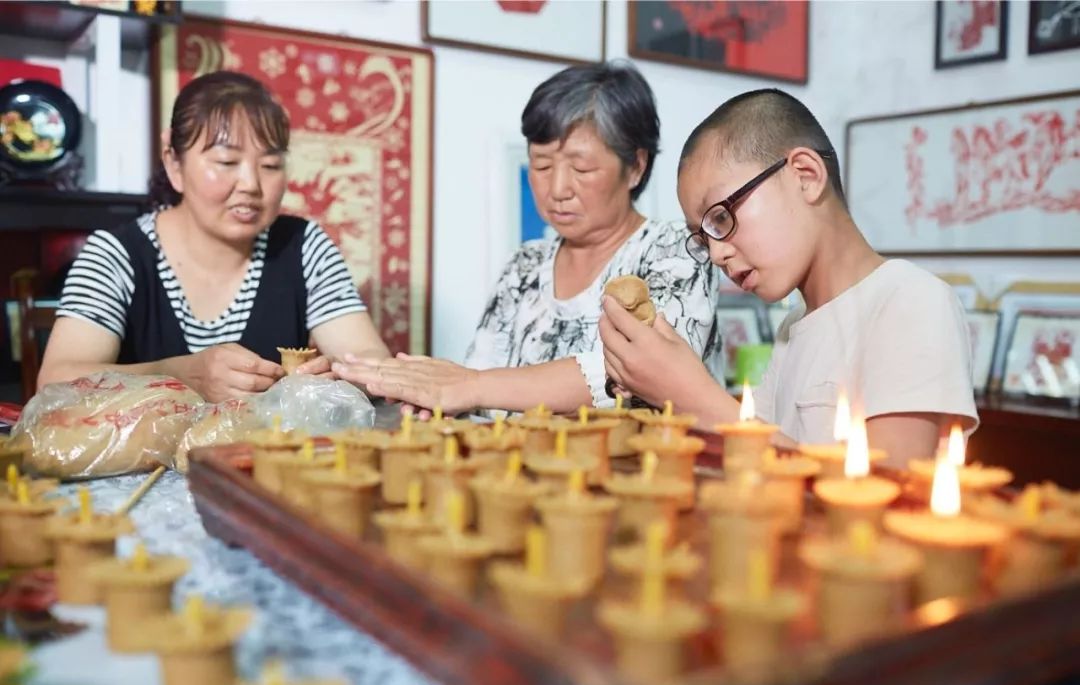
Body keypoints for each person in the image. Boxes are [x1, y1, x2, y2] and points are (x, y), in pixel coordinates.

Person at [600, 89, 976, 466]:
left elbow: (885, 492)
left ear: (806, 176)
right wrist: (664, 385)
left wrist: (691, 393)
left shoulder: (911, 299)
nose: (716, 253)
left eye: (720, 217)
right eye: (701, 236)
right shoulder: (795, 326)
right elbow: (759, 460)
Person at [334, 61, 722, 415]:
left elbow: (635, 370)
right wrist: (430, 394)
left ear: (636, 167)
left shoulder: (677, 252)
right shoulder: (525, 265)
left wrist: (472, 386)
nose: (557, 188)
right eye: (541, 164)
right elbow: (475, 388)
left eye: (581, 168)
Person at [38, 71, 389, 402]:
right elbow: (56, 382)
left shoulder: (303, 247)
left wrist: (334, 376)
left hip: (261, 462)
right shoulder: (116, 255)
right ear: (175, 164)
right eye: (226, 162)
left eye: (270, 166)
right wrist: (177, 375)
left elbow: (374, 364)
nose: (251, 184)